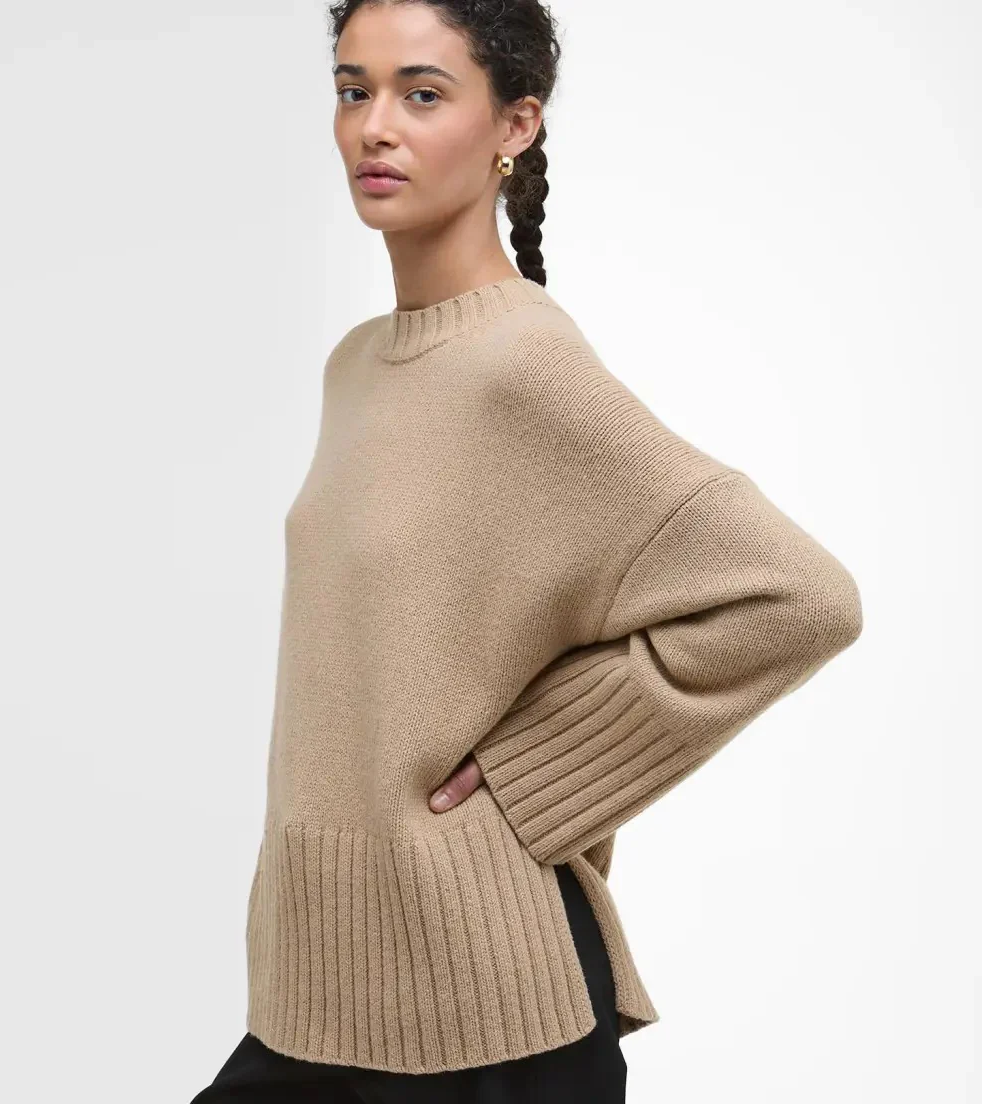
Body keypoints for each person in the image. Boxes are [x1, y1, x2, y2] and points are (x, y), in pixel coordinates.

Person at [190, 0, 863, 1100]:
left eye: (422, 93)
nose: (374, 126)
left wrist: (530, 776)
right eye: (354, 90)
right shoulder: (357, 366)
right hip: (319, 988)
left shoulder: (521, 366)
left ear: (515, 125)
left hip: (487, 1001)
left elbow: (799, 599)